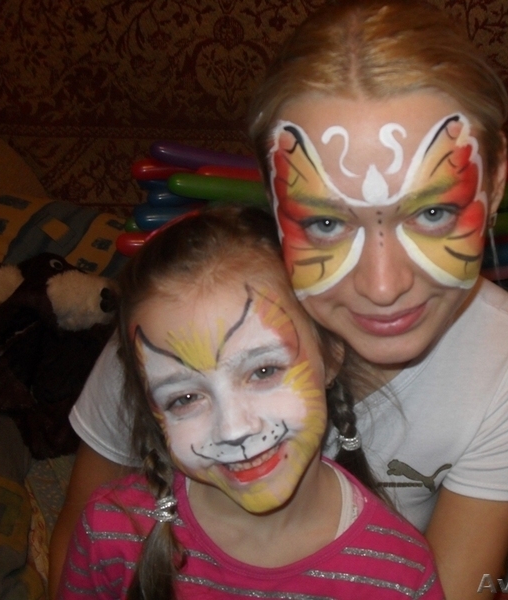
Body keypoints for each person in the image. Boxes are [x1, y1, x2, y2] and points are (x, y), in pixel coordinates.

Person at [49, 1, 508, 598]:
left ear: (494, 183)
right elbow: (80, 551)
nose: (382, 287)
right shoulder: (182, 318)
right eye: (325, 223)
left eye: (432, 212)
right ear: (273, 197)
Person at [58, 206, 443, 599]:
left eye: (263, 371)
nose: (234, 429)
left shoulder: (400, 574)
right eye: (185, 398)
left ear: (330, 352)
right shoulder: (112, 533)